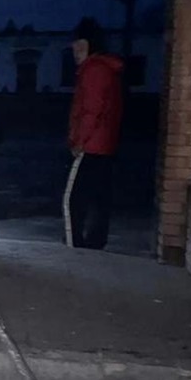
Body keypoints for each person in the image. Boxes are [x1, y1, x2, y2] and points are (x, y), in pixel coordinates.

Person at [64, 17, 124, 249]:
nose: (76, 53)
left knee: (73, 199)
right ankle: (94, 244)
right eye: (74, 48)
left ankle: (75, 245)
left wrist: (79, 141)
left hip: (91, 146)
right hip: (104, 146)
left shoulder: (94, 70)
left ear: (90, 45)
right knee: (99, 198)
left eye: (80, 47)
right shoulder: (106, 70)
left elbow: (91, 110)